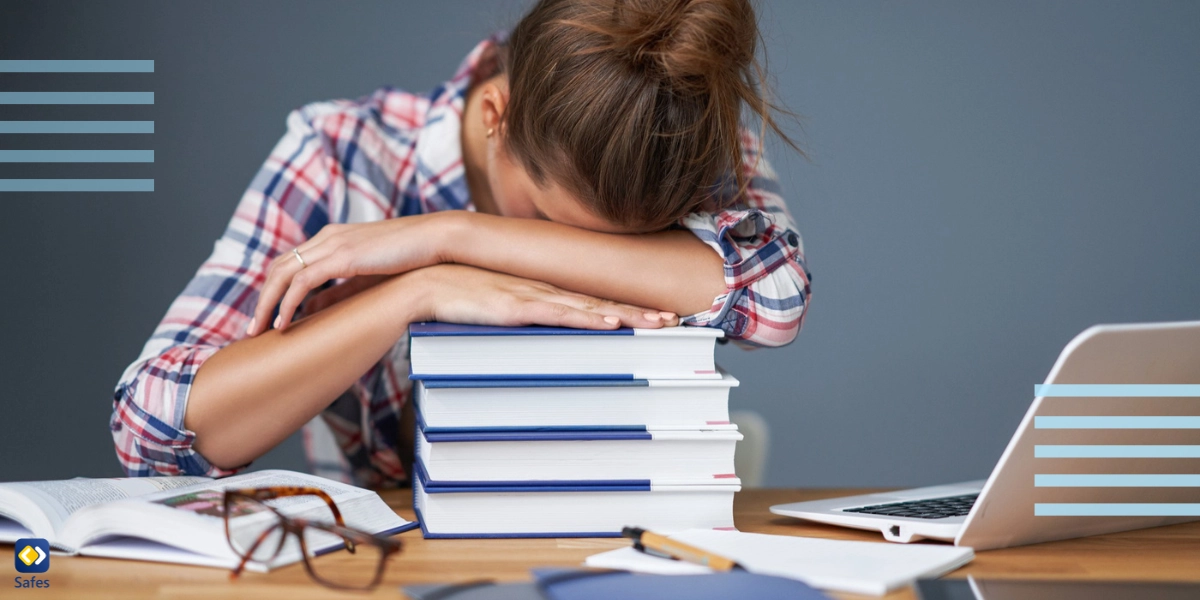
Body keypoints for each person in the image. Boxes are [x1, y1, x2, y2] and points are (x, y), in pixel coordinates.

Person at [111, 0, 812, 488]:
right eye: (543, 213)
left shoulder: (680, 137)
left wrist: (455, 237)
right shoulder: (344, 155)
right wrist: (419, 290)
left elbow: (775, 300)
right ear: (493, 116)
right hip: (396, 558)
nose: (554, 255)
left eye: (612, 249)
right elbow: (150, 430)